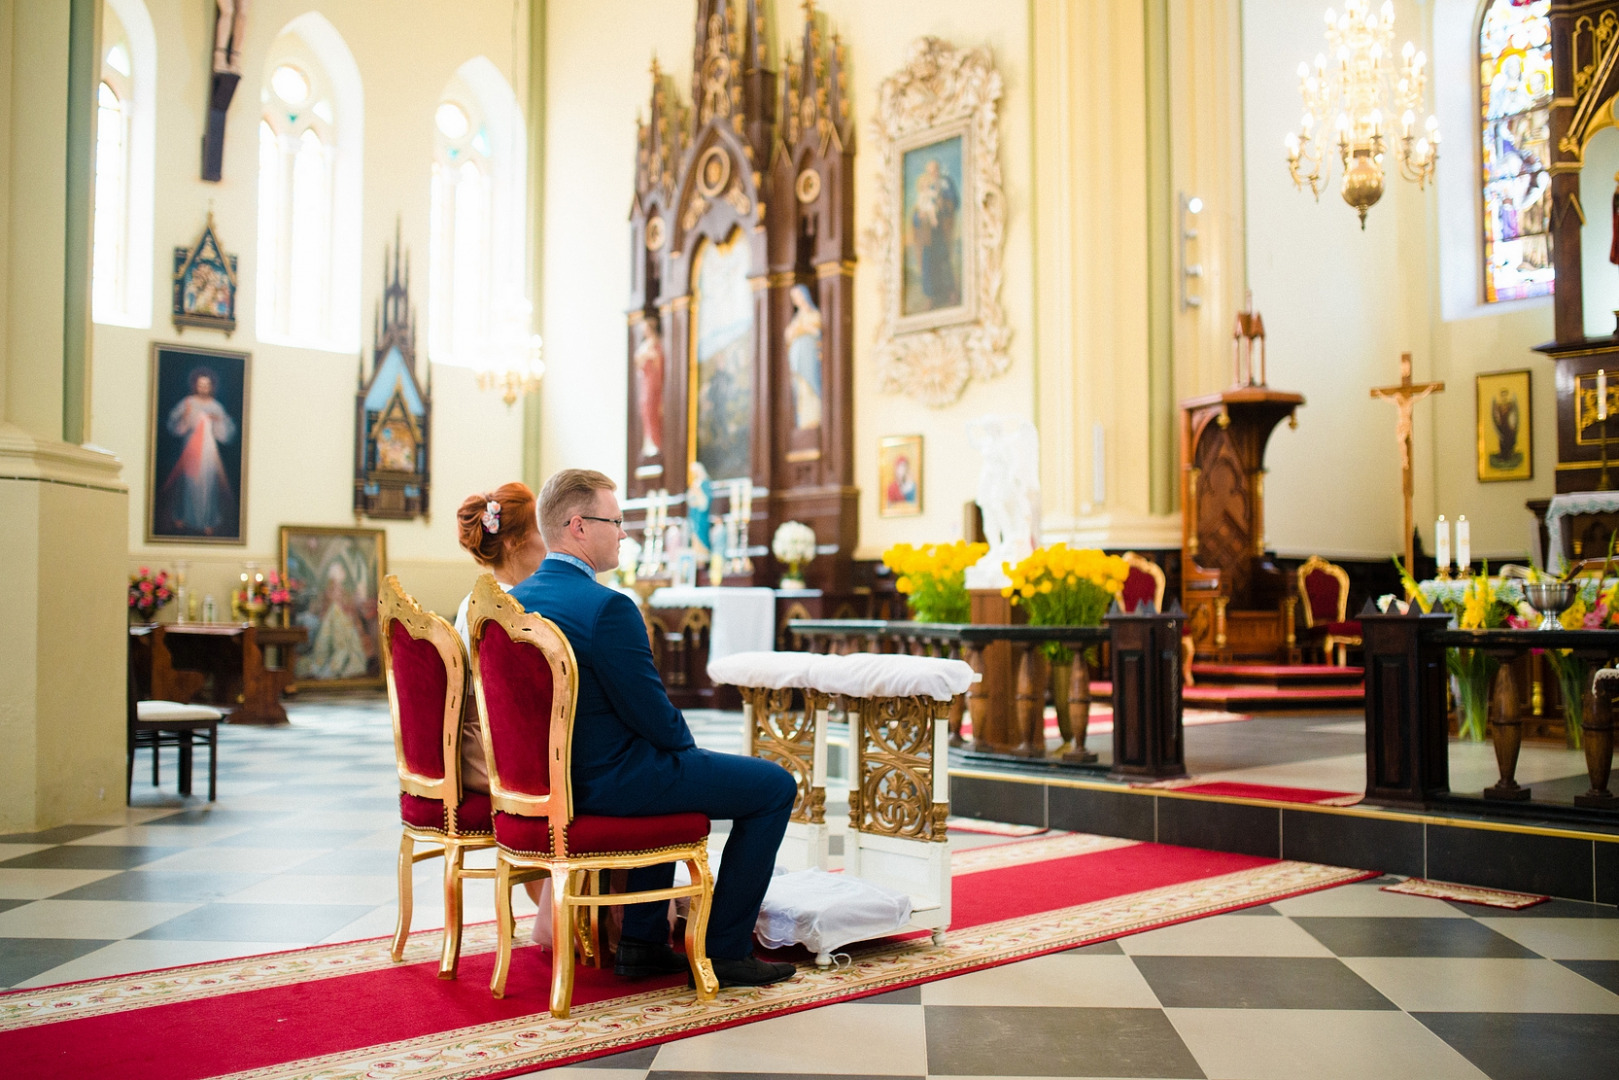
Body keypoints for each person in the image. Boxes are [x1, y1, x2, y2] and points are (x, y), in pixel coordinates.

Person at [509, 468, 797, 988]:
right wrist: (686, 753)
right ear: (578, 525)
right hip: (607, 783)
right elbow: (657, 718)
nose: (624, 533)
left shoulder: (511, 605)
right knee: (773, 785)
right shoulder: (607, 608)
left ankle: (642, 943)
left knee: (669, 769)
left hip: (545, 784)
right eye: (615, 521)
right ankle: (726, 950)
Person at [453, 482, 546, 792]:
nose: (548, 546)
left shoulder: (473, 600)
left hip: (472, 752)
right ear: (513, 543)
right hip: (501, 757)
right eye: (541, 533)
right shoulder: (514, 609)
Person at [160, 367, 237, 536]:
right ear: (196, 385)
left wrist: (218, 421)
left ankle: (207, 521)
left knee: (208, 484)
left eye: (207, 385)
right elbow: (175, 425)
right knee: (188, 483)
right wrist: (186, 417)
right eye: (200, 384)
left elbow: (226, 432)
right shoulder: (187, 402)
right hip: (191, 449)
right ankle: (183, 517)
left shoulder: (216, 407)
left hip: (209, 451)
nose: (203, 388)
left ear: (211, 386)